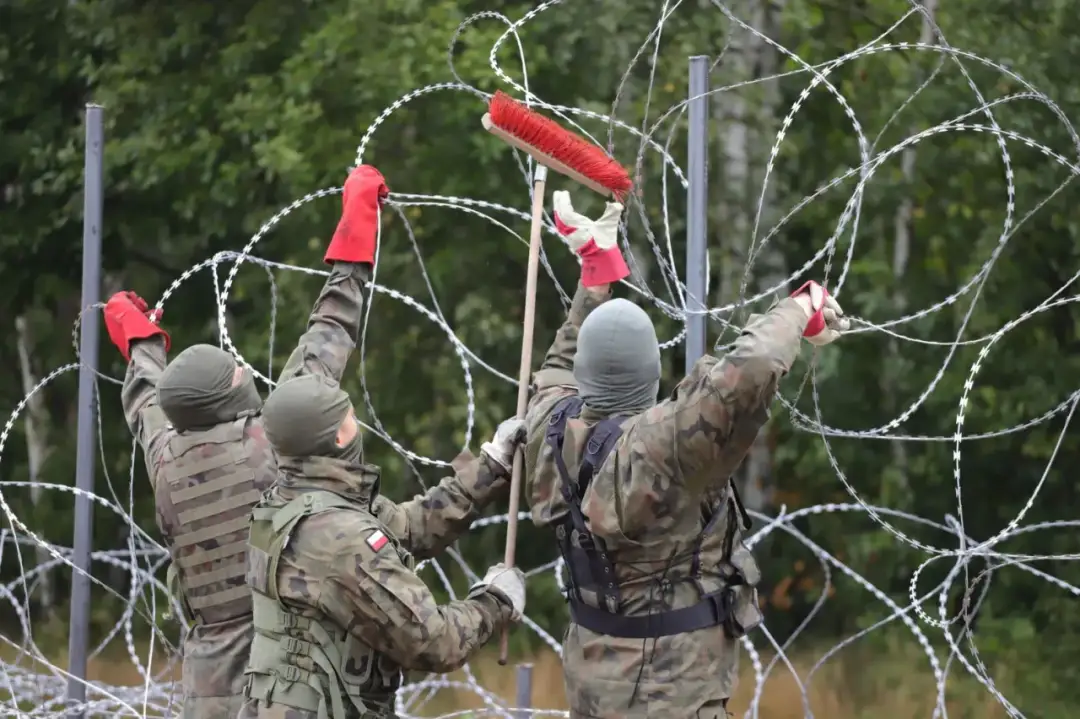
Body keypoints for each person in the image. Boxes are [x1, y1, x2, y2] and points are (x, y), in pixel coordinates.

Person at [522, 191, 849, 718]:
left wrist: (595, 272)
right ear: (654, 374)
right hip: (675, 692)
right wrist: (802, 305)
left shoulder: (546, 426)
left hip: (591, 685)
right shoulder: (668, 446)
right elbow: (759, 359)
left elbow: (559, 367)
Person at [237, 164, 528, 719]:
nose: (356, 425)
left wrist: (489, 467)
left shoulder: (294, 481)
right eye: (347, 420)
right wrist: (495, 603)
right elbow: (433, 640)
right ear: (334, 438)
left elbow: (324, 341)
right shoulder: (339, 540)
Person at [107, 300, 277, 718]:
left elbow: (149, 400)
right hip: (284, 671)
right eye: (236, 373)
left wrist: (142, 343)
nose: (246, 374)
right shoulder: (270, 447)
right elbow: (320, 354)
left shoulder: (166, 459)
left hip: (208, 688)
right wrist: (349, 269)